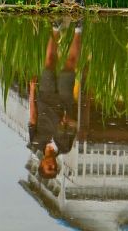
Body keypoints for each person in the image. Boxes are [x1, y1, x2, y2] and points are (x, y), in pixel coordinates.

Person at [28, 19, 83, 180]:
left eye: (49, 168)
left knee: (50, 61)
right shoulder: (65, 147)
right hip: (65, 101)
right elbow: (75, 126)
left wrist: (32, 92)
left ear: (41, 164)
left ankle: (55, 29)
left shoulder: (36, 143)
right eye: (54, 169)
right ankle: (78, 30)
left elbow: (32, 119)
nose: (53, 166)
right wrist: (68, 121)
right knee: (70, 64)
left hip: (45, 97)